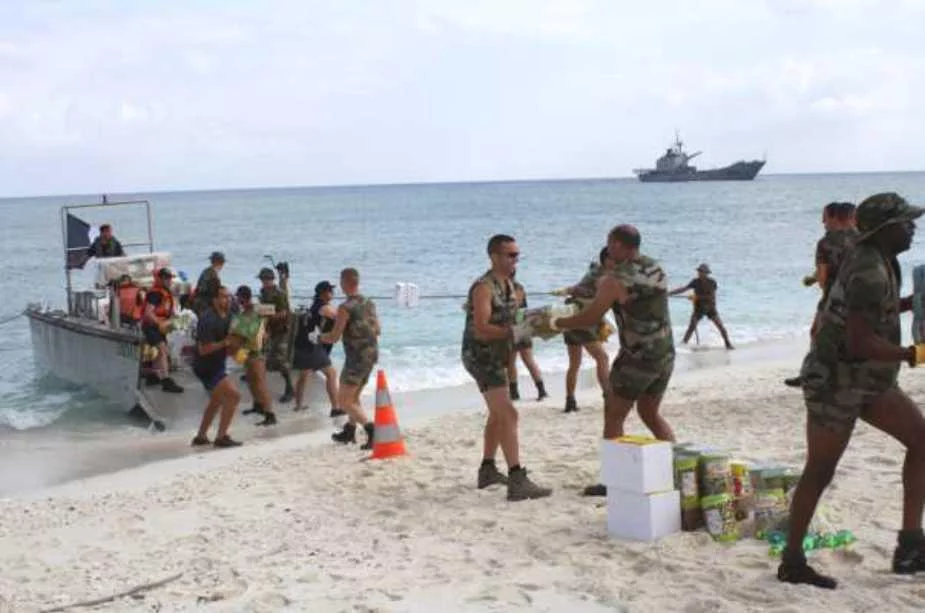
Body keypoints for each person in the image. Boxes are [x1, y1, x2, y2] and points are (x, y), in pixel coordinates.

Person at [778, 193, 925, 589]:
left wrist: (915, 303)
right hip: (835, 382)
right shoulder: (868, 270)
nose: (913, 227)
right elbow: (859, 342)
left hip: (871, 381)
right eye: (906, 222)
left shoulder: (882, 261)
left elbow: (879, 309)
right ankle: (792, 560)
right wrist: (914, 354)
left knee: (922, 440)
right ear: (884, 229)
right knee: (820, 470)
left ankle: (911, 546)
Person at [554, 225, 675, 497]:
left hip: (637, 356)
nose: (607, 248)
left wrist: (556, 321)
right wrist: (573, 289)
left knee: (614, 414)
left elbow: (590, 317)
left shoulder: (615, 279)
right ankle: (676, 469)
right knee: (650, 413)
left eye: (610, 243)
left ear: (618, 245)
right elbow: (601, 288)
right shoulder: (654, 267)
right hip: (665, 353)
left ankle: (613, 481)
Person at [462, 234, 552, 501]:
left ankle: (487, 469)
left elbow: (520, 322)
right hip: (480, 355)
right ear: (494, 257)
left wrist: (545, 326)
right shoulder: (483, 287)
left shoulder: (514, 286)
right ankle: (517, 478)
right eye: (510, 255)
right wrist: (512, 333)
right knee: (509, 414)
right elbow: (481, 327)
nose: (515, 259)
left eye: (517, 255)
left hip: (499, 354)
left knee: (497, 414)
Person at [785, 202, 859, 387]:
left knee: (816, 333)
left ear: (835, 217)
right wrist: (814, 278)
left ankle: (812, 374)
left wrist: (820, 283)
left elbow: (824, 277)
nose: (822, 222)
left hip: (833, 297)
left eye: (825, 217)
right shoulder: (862, 239)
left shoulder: (826, 243)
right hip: (859, 295)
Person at [321, 268, 380, 449]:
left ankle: (372, 430)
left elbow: (334, 337)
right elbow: (377, 329)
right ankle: (349, 431)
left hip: (356, 358)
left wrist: (318, 337)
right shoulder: (369, 303)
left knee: (344, 400)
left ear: (343, 283)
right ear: (357, 282)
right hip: (371, 354)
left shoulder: (345, 307)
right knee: (353, 397)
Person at [553, 247, 614, 413]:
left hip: (572, 316)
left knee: (575, 363)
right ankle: (608, 397)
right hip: (581, 319)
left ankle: (570, 401)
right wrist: (570, 290)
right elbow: (584, 291)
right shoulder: (601, 275)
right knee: (602, 358)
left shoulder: (599, 272)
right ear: (606, 260)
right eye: (613, 258)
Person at [191, 286, 243, 448]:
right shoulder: (208, 319)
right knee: (234, 396)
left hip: (218, 363)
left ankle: (200, 437)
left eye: (229, 297)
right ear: (214, 300)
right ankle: (221, 437)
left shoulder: (230, 315)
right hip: (205, 366)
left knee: (216, 401)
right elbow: (203, 349)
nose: (227, 300)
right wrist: (225, 343)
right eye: (223, 297)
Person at [292, 281, 341, 416]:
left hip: (303, 344)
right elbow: (339, 317)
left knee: (304, 375)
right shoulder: (324, 307)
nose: (333, 293)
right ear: (324, 293)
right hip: (311, 346)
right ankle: (336, 408)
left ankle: (298, 405)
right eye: (330, 290)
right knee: (331, 374)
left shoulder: (316, 305)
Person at [233, 285, 277, 427]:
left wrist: (265, 330)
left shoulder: (257, 308)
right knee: (251, 380)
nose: (239, 300)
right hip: (246, 350)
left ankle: (270, 414)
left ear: (244, 297)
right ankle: (257, 405)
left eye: (240, 298)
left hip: (257, 351)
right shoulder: (242, 312)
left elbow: (274, 312)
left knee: (260, 382)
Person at [669, 263, 734, 350]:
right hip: (699, 308)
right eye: (699, 271)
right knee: (691, 327)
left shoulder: (712, 282)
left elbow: (711, 296)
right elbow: (684, 289)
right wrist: (669, 293)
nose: (699, 273)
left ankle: (728, 344)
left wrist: (696, 297)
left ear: (706, 273)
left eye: (701, 272)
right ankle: (682, 346)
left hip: (710, 307)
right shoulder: (695, 281)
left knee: (720, 326)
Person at [140, 267, 184, 393]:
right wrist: (160, 323)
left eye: (170, 278)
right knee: (162, 350)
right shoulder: (155, 293)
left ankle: (153, 376)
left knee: (160, 352)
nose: (169, 281)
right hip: (151, 326)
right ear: (160, 279)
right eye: (166, 278)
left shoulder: (165, 292)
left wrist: (173, 321)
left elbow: (166, 310)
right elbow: (148, 313)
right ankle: (166, 381)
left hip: (159, 326)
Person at [506, 272, 548, 402]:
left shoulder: (512, 288)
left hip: (516, 327)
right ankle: (536, 391)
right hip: (521, 325)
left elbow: (513, 309)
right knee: (521, 360)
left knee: (517, 361)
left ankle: (535, 391)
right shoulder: (518, 287)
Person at [258, 267, 295, 403]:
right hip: (269, 329)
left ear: (271, 279)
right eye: (262, 280)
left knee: (281, 360)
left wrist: (269, 316)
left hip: (280, 330)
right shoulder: (263, 292)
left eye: (265, 279)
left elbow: (285, 313)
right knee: (262, 354)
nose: (263, 282)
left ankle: (289, 388)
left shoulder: (279, 294)